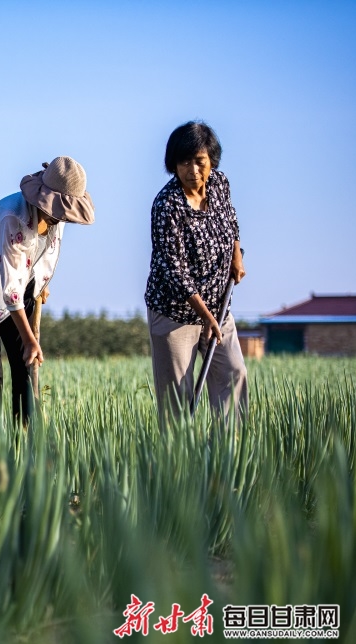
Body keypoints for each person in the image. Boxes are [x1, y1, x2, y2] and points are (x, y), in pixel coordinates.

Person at [0, 157, 95, 423]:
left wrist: (42, 284)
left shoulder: (58, 217)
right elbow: (10, 291)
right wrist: (31, 340)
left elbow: (46, 252)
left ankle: (25, 440)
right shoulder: (12, 217)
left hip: (24, 286)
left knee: (25, 368)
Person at [144, 121, 247, 423]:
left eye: (199, 162)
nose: (193, 171)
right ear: (173, 164)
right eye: (184, 162)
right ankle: (179, 464)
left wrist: (236, 254)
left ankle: (228, 457)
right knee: (178, 398)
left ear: (211, 162)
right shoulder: (167, 205)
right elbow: (174, 270)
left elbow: (232, 221)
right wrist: (204, 316)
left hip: (219, 307)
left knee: (233, 373)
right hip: (175, 314)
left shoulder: (220, 184)